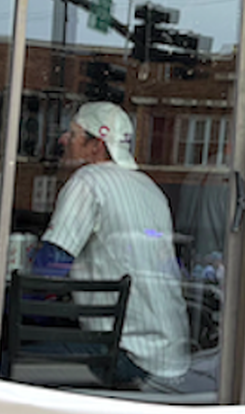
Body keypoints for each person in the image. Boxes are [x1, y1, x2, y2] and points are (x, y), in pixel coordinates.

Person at [33, 102, 190, 391]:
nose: (63, 140)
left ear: (97, 146)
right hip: (172, 358)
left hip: (128, 355)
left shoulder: (88, 181)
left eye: (74, 134)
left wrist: (5, 301)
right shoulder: (150, 188)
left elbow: (47, 273)